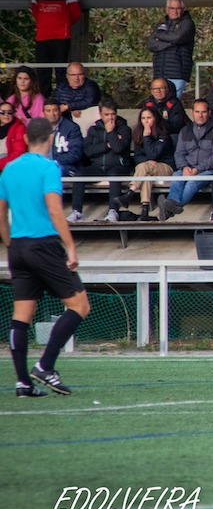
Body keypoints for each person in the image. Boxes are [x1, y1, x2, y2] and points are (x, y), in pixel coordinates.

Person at [0, 117, 91, 397]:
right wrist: (71, 246)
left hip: (18, 247)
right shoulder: (49, 167)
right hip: (45, 245)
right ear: (51, 138)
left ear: (26, 139)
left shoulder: (9, 169)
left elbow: (1, 215)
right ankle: (45, 366)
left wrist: (11, 245)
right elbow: (54, 210)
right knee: (80, 305)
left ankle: (22, 383)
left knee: (21, 316)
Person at [67, 100, 132, 223]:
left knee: (114, 176)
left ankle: (113, 211)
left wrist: (110, 132)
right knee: (79, 175)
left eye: (113, 114)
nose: (110, 118)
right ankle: (77, 211)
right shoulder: (93, 130)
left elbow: (119, 148)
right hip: (98, 167)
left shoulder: (124, 129)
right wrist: (108, 145)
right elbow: (88, 151)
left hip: (118, 166)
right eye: (107, 115)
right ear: (100, 114)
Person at [157, 99, 213, 221]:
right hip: (187, 168)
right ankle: (172, 203)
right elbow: (179, 153)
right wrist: (184, 167)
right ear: (192, 112)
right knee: (176, 176)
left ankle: (171, 207)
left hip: (208, 170)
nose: (200, 115)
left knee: (192, 182)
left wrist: (198, 169)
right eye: (197, 112)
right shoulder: (185, 130)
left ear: (209, 112)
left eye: (203, 112)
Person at [31, 0, 80, 97]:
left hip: (61, 37)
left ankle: (61, 97)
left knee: (60, 70)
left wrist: (63, 25)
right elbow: (36, 13)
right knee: (43, 71)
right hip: (42, 37)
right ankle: (43, 99)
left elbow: (75, 13)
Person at [120, 107, 176, 221]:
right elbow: (137, 156)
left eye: (149, 118)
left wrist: (147, 137)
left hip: (166, 166)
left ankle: (130, 193)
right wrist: (147, 161)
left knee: (143, 167)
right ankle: (145, 210)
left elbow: (153, 154)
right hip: (147, 168)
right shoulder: (138, 133)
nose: (145, 121)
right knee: (146, 176)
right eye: (143, 118)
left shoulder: (163, 134)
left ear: (155, 118)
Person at [146, 0, 195, 98]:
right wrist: (171, 42)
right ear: (167, 9)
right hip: (159, 72)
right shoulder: (161, 24)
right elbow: (150, 44)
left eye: (178, 8)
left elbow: (177, 37)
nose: (175, 11)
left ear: (182, 9)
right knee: (158, 106)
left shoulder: (188, 24)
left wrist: (160, 38)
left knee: (172, 105)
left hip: (177, 73)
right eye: (172, 8)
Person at [42, 100, 82, 179]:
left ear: (60, 112)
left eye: (55, 110)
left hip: (66, 168)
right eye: (48, 111)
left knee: (50, 172)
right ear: (43, 113)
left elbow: (75, 154)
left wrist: (52, 162)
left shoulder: (72, 128)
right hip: (43, 166)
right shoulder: (38, 128)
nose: (52, 114)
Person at [52, 63, 101, 127]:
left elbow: (89, 101)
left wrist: (68, 106)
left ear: (84, 75)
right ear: (67, 76)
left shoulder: (91, 86)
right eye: (73, 75)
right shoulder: (61, 86)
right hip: (62, 122)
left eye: (80, 74)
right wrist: (70, 109)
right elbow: (54, 101)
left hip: (87, 124)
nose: (76, 78)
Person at [0, 104, 27, 172]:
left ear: (13, 113)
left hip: (8, 166)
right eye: (2, 112)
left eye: (9, 112)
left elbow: (19, 153)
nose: (6, 115)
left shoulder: (20, 128)